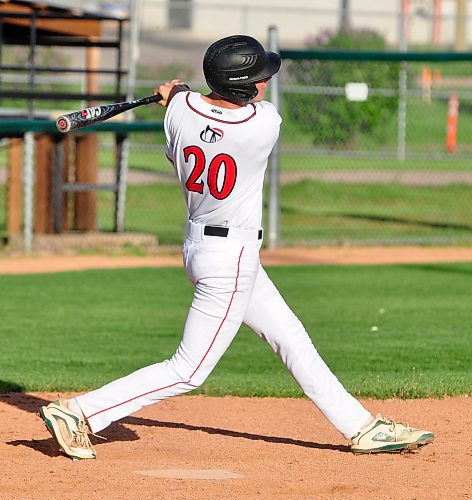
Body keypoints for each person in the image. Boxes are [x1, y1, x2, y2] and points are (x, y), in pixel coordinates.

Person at [39, 35, 434, 460]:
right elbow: (219, 110)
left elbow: (194, 115)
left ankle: (361, 427)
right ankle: (79, 412)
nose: (265, 83)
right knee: (188, 369)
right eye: (258, 77)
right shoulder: (263, 124)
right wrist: (179, 95)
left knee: (291, 339)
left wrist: (174, 97)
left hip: (201, 247)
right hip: (231, 259)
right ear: (243, 86)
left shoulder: (178, 116)